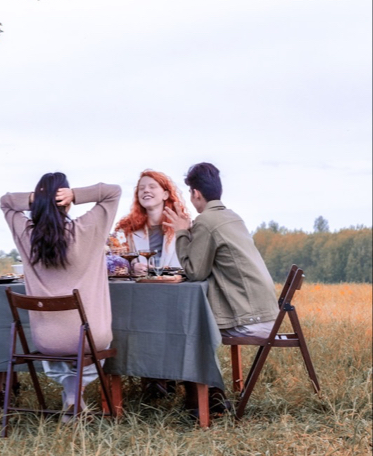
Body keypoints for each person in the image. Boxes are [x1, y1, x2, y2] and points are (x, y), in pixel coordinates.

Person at [0, 175, 121, 419]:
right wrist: (76, 194)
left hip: (48, 340)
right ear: (66, 201)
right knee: (100, 341)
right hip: (89, 338)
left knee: (53, 339)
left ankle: (70, 389)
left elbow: (6, 201)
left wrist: (37, 198)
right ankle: (76, 391)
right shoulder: (87, 229)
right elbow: (113, 191)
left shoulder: (26, 234)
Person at [169, 161, 279, 418]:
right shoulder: (232, 216)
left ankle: (202, 402)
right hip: (266, 313)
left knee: (189, 328)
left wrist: (181, 233)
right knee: (194, 323)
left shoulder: (206, 221)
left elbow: (195, 271)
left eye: (191, 193)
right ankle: (211, 396)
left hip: (251, 319)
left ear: (196, 193)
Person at [113, 170, 190, 275]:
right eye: (141, 188)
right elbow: (114, 260)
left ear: (165, 195)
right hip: (142, 285)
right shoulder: (126, 230)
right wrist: (132, 267)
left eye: (152, 187)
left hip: (176, 284)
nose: (146, 190)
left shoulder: (184, 227)